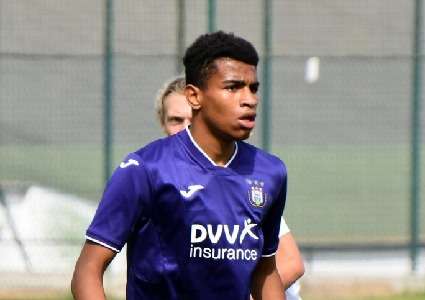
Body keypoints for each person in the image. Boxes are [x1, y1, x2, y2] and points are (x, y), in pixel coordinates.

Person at [71, 31, 287, 300]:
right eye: (233, 87)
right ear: (194, 97)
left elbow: (265, 272)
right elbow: (88, 269)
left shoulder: (270, 172)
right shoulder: (144, 169)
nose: (250, 99)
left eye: (253, 88)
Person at [156, 76, 305, 300]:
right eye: (176, 120)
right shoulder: (154, 183)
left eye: (193, 118)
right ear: (163, 125)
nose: (186, 129)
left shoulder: (237, 180)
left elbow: (291, 263)